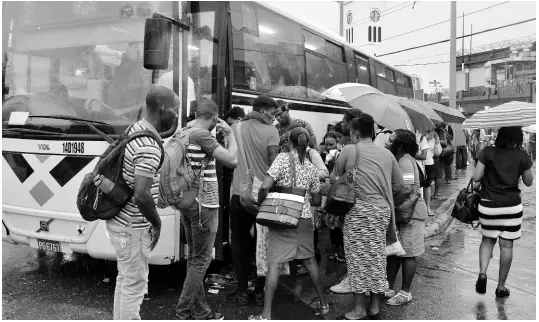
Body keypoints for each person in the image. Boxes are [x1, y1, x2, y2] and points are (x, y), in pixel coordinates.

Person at [106, 86, 179, 320]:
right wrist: (157, 223)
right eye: (176, 110)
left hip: (119, 222)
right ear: (164, 109)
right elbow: (142, 195)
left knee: (125, 280)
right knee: (135, 285)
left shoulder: (134, 129)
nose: (177, 115)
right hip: (133, 228)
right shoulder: (148, 145)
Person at [249, 127, 329, 320]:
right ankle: (324, 304)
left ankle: (266, 314)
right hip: (304, 219)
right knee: (310, 261)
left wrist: (261, 203)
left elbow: (266, 186)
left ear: (290, 142)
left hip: (283, 217)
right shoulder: (310, 167)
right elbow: (317, 199)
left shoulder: (283, 159)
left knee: (274, 264)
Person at [332, 114, 406, 320]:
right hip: (382, 211)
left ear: (355, 132)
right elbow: (401, 187)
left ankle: (359, 309)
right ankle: (374, 306)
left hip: (357, 211)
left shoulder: (349, 150)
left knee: (356, 260)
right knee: (376, 258)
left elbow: (334, 179)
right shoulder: (387, 154)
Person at [175, 98, 238, 320]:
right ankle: (183, 311)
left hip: (187, 200)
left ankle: (201, 312)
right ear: (213, 118)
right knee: (201, 260)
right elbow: (232, 160)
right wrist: (231, 134)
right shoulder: (203, 135)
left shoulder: (182, 132)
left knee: (194, 258)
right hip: (204, 203)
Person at [227, 95, 280, 306]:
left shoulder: (235, 128)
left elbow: (231, 160)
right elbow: (275, 165)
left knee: (239, 243)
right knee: (263, 244)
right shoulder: (271, 131)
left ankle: (242, 289)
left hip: (239, 194)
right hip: (263, 197)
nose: (274, 117)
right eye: (272, 113)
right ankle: (259, 290)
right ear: (263, 110)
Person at [473, 127, 533, 298]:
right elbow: (528, 182)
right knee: (506, 245)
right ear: (518, 137)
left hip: (488, 205)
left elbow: (476, 178)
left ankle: (483, 273)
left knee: (487, 240)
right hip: (511, 206)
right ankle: (501, 286)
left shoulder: (487, 152)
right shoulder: (522, 155)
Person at [386, 130, 428, 306]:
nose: (387, 143)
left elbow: (406, 189)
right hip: (405, 214)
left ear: (400, 146)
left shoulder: (404, 161)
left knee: (408, 254)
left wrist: (390, 202)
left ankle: (405, 292)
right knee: (395, 253)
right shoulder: (403, 160)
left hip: (411, 215)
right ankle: (388, 288)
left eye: (391, 140)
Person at [424, 130, 442, 215]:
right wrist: (424, 139)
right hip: (418, 162)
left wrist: (437, 139)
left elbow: (438, 152)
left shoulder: (433, 137)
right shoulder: (418, 134)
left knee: (427, 185)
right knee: (419, 186)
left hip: (429, 163)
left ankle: (427, 208)